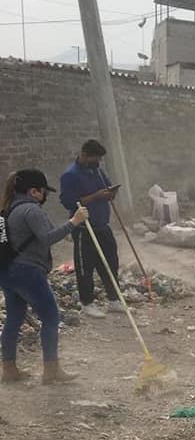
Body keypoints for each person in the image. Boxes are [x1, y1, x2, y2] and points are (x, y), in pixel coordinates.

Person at [1, 169, 89, 384]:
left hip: (7, 272)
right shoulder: (31, 210)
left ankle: (9, 369)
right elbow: (47, 238)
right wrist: (74, 222)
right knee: (50, 317)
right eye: (43, 191)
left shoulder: (8, 209)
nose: (44, 195)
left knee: (14, 318)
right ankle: (51, 371)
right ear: (34, 191)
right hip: (28, 272)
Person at [59, 139, 122, 319]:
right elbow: (69, 202)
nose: (98, 162)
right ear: (84, 155)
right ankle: (87, 303)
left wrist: (111, 193)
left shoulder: (97, 170)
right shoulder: (70, 175)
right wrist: (95, 196)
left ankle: (114, 299)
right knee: (85, 267)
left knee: (110, 262)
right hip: (84, 228)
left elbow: (107, 188)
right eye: (95, 158)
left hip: (103, 224)